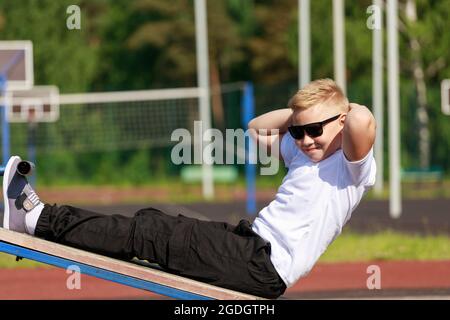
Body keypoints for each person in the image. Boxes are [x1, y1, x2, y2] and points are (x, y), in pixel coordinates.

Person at [2, 78, 376, 299]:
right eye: (298, 131)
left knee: (148, 233)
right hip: (248, 246)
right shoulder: (300, 151)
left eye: (315, 131)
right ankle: (40, 219)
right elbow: (256, 126)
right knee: (150, 224)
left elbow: (362, 119)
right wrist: (304, 117)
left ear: (341, 122)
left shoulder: (349, 166)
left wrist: (337, 106)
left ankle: (36, 219)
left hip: (263, 266)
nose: (306, 139)